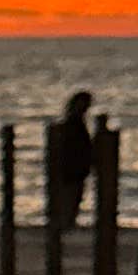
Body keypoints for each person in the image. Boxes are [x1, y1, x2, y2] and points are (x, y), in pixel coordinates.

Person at [46, 88, 97, 230]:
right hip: (71, 171)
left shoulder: (78, 124)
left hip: (76, 171)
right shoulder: (72, 125)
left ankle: (67, 224)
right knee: (69, 200)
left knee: (73, 200)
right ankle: (65, 225)